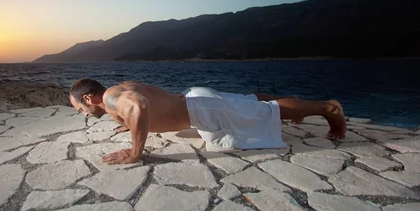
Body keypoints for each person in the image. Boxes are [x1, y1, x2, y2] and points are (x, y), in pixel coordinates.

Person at [69, 78, 346, 165]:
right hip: (195, 100)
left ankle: (329, 109)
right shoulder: (115, 94)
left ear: (90, 98)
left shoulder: (115, 97)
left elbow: (140, 106)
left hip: (200, 109)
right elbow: (142, 105)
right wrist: (129, 124)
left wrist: (134, 152)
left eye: (79, 108)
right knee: (252, 100)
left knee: (266, 112)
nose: (82, 113)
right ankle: (292, 101)